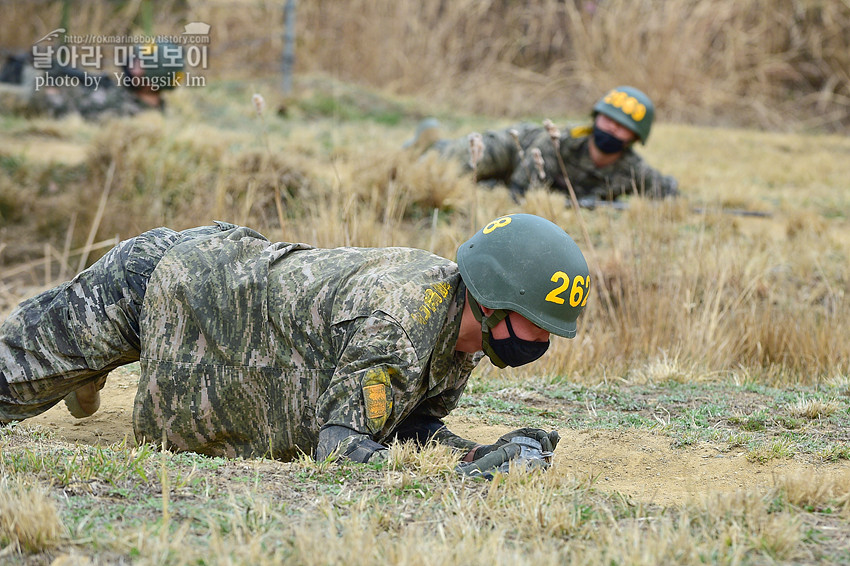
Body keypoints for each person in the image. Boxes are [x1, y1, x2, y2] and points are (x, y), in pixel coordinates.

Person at [0, 214, 590, 475]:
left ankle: (88, 372)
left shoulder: (457, 326)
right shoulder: (403, 321)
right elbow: (342, 447)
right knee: (11, 377)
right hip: (159, 284)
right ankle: (88, 365)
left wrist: (474, 454)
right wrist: (445, 480)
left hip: (208, 310)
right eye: (534, 323)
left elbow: (402, 425)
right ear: (491, 300)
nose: (540, 341)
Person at [412, 86, 679, 202]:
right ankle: (429, 143)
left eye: (621, 127)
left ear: (634, 138)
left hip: (518, 179)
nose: (611, 128)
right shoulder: (559, 143)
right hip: (515, 148)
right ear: (596, 118)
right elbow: (521, 189)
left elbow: (667, 191)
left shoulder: (632, 170)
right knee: (450, 165)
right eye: (608, 120)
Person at [0, 42, 183, 120]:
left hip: (38, 100)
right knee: (19, 65)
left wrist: (50, 91)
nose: (129, 66)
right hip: (50, 92)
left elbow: (69, 117)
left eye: (138, 65)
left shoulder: (130, 116)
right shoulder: (130, 97)